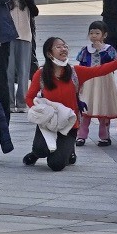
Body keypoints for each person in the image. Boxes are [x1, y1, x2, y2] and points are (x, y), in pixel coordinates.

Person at [23, 37, 100, 170]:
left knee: (56, 165)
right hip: (49, 121)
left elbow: (101, 70)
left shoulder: (75, 72)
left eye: (65, 46)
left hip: (69, 123)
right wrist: (40, 113)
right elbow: (29, 97)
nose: (63, 49)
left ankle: (69, 150)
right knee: (41, 150)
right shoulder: (41, 74)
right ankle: (36, 154)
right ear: (49, 53)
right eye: (58, 47)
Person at [76, 22, 117, 146]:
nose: (94, 35)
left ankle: (104, 136)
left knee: (103, 107)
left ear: (104, 35)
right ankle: (81, 136)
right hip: (89, 81)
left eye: (97, 33)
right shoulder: (86, 50)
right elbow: (81, 65)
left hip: (104, 81)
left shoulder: (109, 49)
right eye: (91, 33)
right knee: (86, 108)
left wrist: (101, 50)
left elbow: (113, 62)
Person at [7, 0, 37, 115]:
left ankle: (22, 102)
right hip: (9, 37)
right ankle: (9, 102)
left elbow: (35, 12)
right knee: (9, 70)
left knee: (23, 71)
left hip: (25, 36)